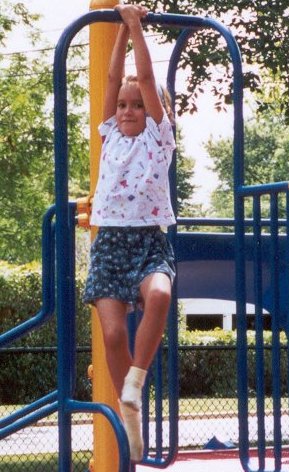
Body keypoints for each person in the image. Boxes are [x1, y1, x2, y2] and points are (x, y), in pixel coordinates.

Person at [84, 3, 176, 463]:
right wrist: (119, 31)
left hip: (146, 240)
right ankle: (128, 411)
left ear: (155, 111)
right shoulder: (111, 134)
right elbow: (111, 79)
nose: (127, 110)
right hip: (110, 243)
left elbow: (140, 76)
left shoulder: (159, 139)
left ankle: (136, 382)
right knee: (114, 335)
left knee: (159, 295)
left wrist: (136, 28)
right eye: (123, 105)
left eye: (137, 104)